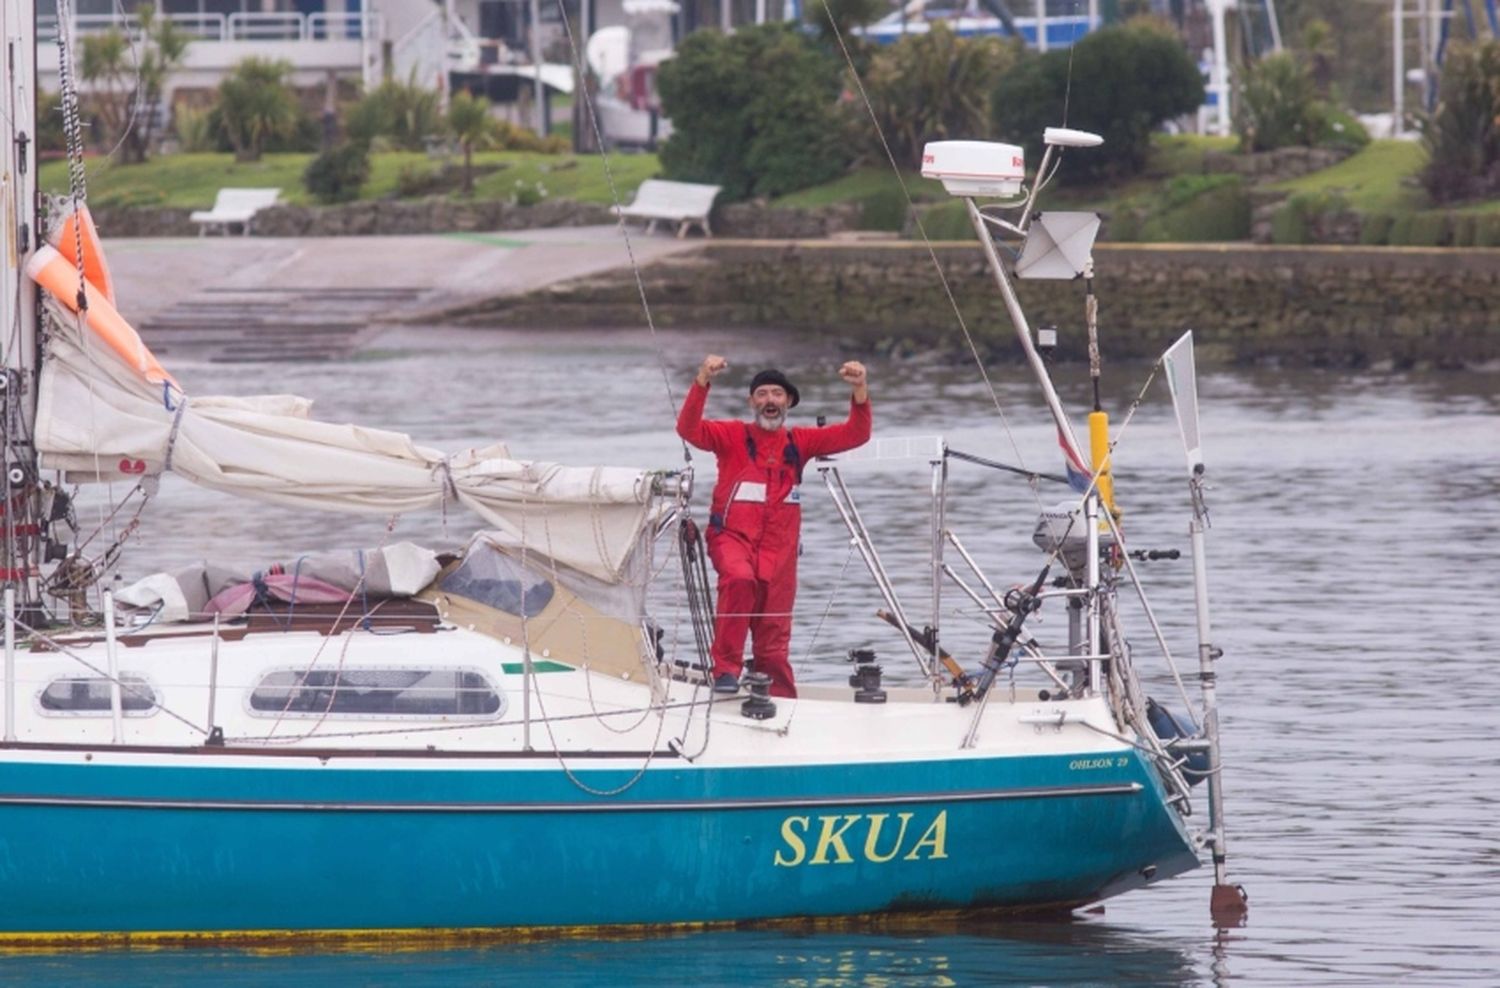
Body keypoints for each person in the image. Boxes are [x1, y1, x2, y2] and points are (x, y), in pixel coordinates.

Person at [676, 355, 871, 698]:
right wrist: (703, 379)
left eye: (777, 394)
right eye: (762, 394)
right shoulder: (732, 435)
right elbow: (688, 429)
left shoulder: (801, 443)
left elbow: (856, 434)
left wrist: (859, 389)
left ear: (789, 402)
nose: (770, 400)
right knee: (739, 579)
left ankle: (780, 697)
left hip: (780, 553)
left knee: (774, 632)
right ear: (752, 402)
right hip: (731, 539)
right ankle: (725, 670)